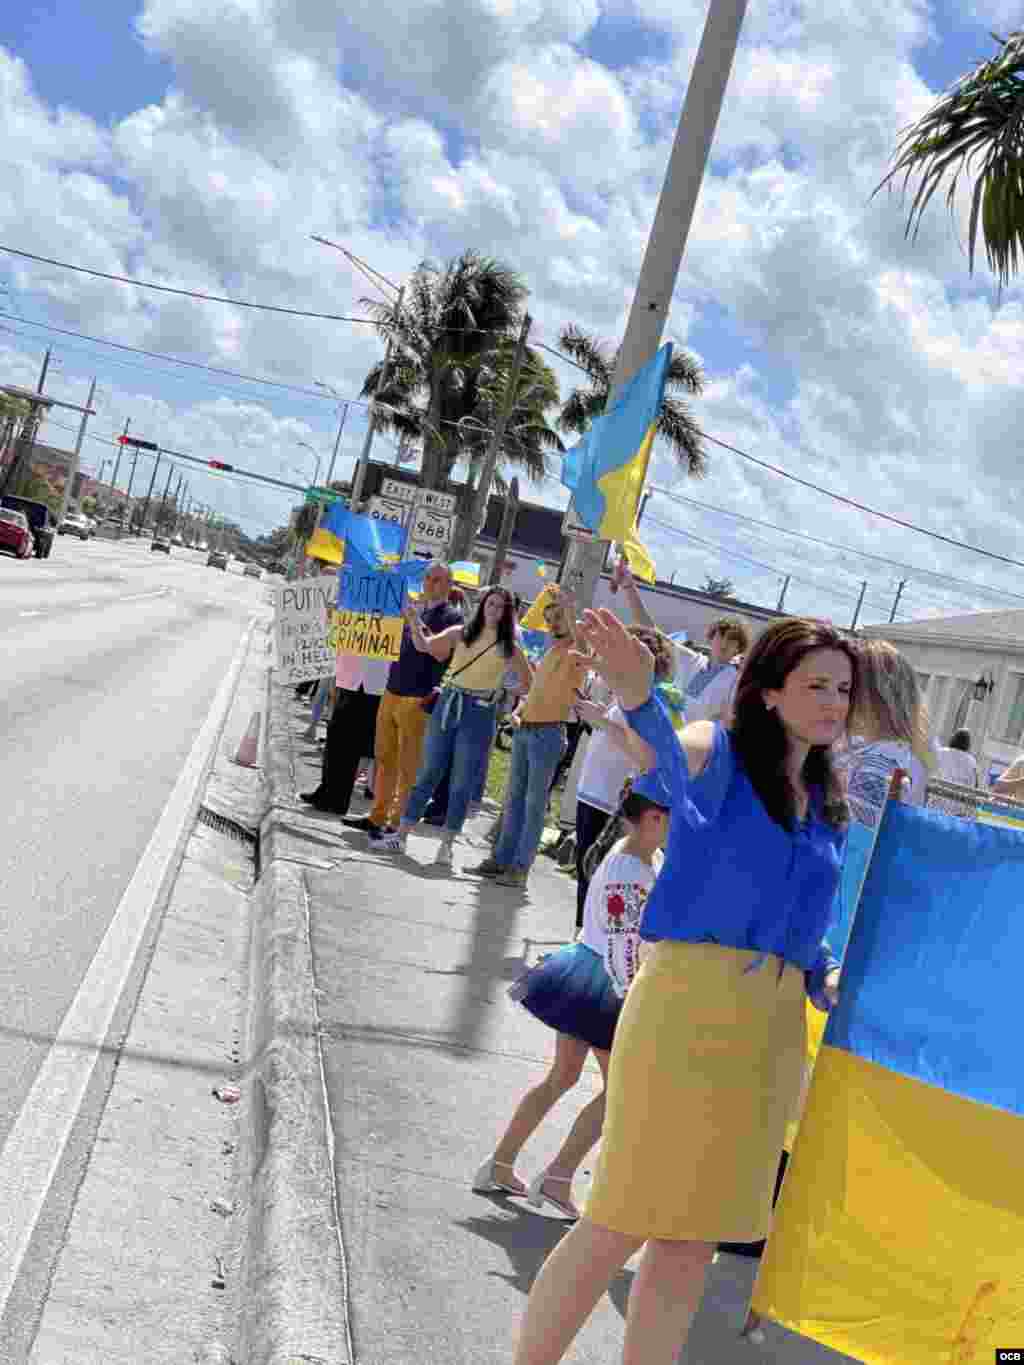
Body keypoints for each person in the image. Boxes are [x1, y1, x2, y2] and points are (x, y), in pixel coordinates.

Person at [511, 612, 854, 1365]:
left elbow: (804, 915)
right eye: (816, 684)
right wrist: (638, 698)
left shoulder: (832, 802)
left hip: (769, 1036)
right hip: (685, 1014)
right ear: (766, 690)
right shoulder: (717, 750)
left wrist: (821, 969)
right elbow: (664, 762)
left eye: (844, 688)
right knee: (618, 1218)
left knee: (692, 1239)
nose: (834, 701)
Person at [474, 779, 668, 1220]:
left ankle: (501, 1164)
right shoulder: (629, 868)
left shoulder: (644, 855)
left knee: (563, 1076)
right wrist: (635, 997)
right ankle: (557, 1177)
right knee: (620, 1092)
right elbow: (623, 946)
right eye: (676, 818)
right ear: (655, 818)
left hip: (588, 971)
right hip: (606, 982)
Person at [379, 588, 533, 869]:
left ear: (508, 612)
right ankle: (401, 835)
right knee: (429, 771)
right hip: (449, 702)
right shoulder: (461, 632)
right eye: (491, 604)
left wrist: (504, 689)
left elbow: (528, 684)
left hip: (480, 712)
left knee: (461, 781)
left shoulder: (510, 647)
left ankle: (446, 846)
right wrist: (413, 619)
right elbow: (425, 645)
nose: (494, 610)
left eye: (500, 607)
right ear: (483, 605)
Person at [470, 590, 588, 889]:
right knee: (514, 800)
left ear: (570, 619)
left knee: (533, 805)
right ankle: (501, 860)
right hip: (528, 730)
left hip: (548, 733)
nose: (552, 624)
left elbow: (584, 645)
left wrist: (569, 609)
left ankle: (520, 869)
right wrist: (519, 713)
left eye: (557, 618)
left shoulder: (578, 651)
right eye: (549, 619)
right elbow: (534, 691)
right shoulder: (551, 651)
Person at [342, 563, 462, 841]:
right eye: (428, 578)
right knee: (384, 758)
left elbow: (439, 652)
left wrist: (413, 621)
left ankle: (396, 822)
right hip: (393, 689)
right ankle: (377, 815)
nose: (431, 583)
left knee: (409, 766)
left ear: (449, 585)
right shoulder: (415, 609)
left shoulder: (452, 617)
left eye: (438, 580)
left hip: (417, 697)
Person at [571, 626, 675, 931]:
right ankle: (581, 936)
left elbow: (642, 748)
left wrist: (601, 720)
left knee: (602, 874)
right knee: (586, 867)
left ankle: (592, 944)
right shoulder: (624, 693)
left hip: (613, 799)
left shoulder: (653, 699)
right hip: (593, 790)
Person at [612, 558, 750, 722]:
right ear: (711, 638)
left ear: (739, 648)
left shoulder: (735, 681)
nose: (725, 643)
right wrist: (629, 587)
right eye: (721, 636)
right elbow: (651, 630)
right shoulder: (693, 661)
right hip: (668, 734)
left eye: (732, 640)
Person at [837, 638, 933, 828]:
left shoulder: (881, 763)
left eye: (845, 687)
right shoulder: (902, 755)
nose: (838, 696)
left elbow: (851, 838)